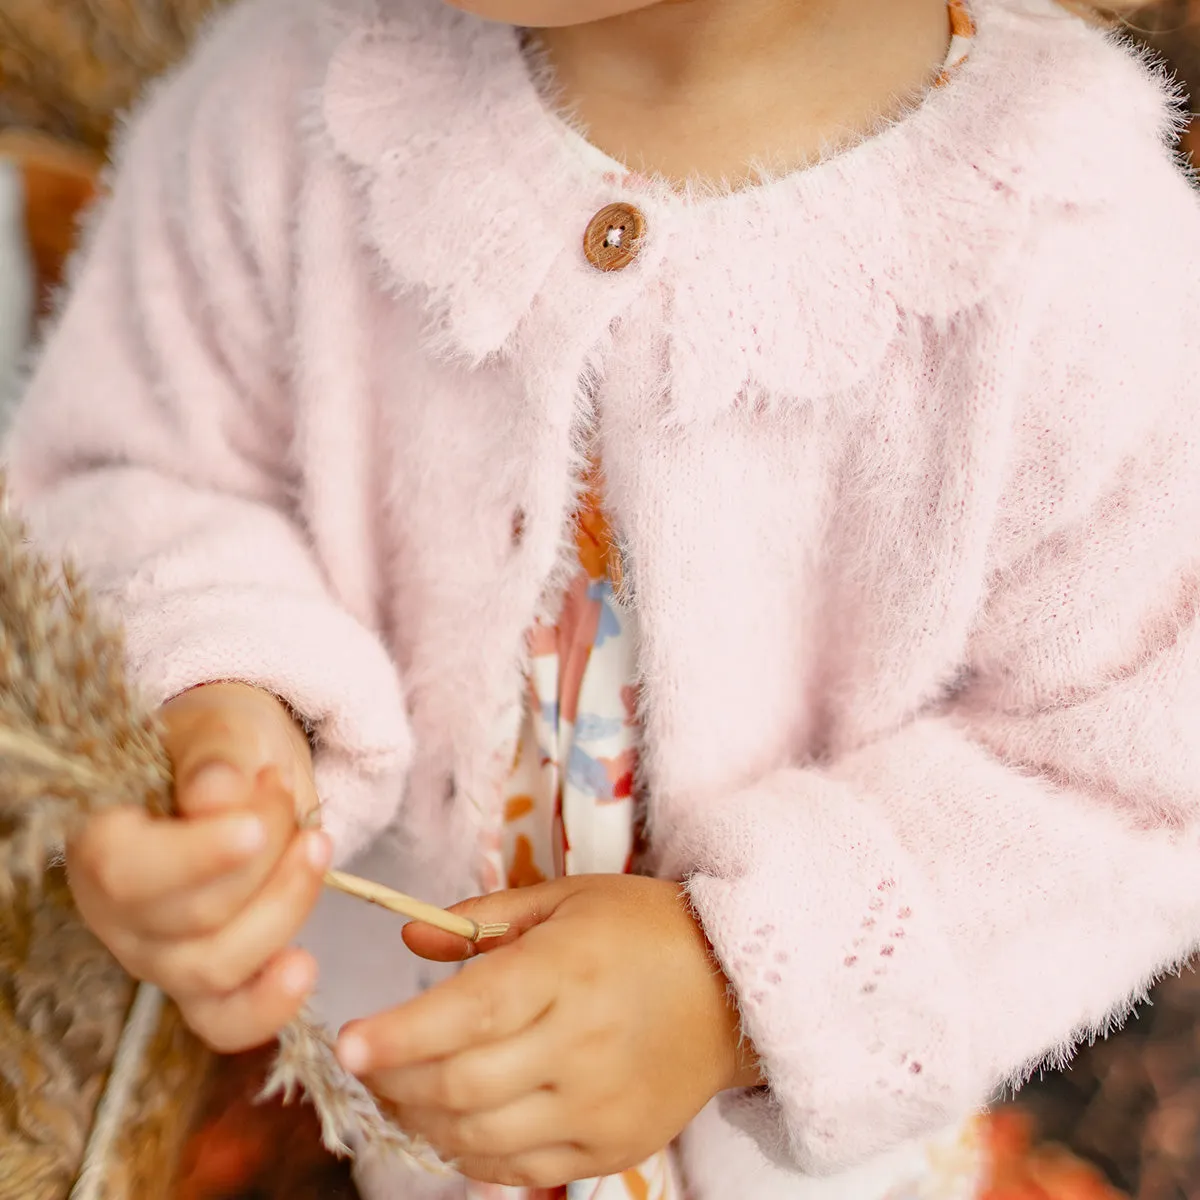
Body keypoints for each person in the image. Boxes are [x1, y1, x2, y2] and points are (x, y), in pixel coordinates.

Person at [4, 0, 1200, 1196]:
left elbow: (1131, 783)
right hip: (334, 1074)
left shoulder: (1081, 254)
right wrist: (216, 697)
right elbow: (134, 466)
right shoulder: (289, 94)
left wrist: (737, 984)